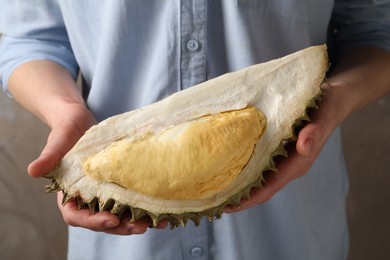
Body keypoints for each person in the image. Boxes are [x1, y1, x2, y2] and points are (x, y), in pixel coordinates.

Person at [1, 1, 390, 259]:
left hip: (288, 231)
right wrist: (65, 109)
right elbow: (30, 38)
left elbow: (376, 30)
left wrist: (336, 99)